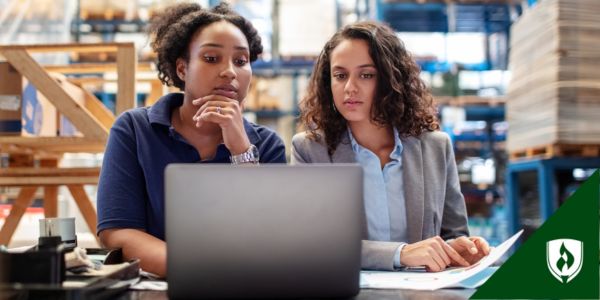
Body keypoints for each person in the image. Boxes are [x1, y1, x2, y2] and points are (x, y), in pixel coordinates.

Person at [96, 2, 286, 277]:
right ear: (182, 69)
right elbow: (117, 232)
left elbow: (269, 237)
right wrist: (198, 269)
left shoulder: (267, 145)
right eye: (211, 58)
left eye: (241, 61)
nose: (230, 72)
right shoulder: (134, 130)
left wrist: (241, 151)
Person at [291, 21, 490, 272]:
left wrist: (461, 249)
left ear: (390, 79)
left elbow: (453, 233)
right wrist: (401, 254)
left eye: (366, 75)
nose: (350, 87)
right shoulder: (310, 151)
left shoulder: (436, 147)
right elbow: (312, 245)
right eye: (340, 75)